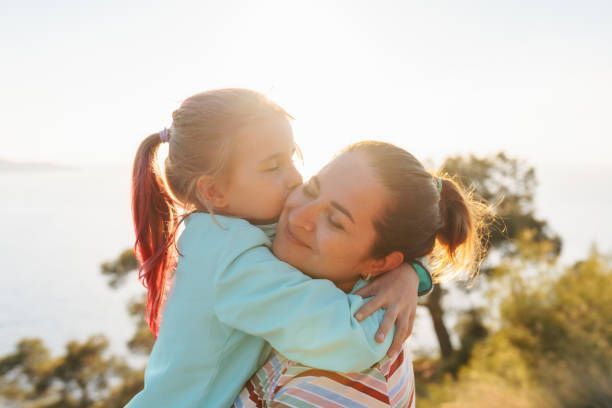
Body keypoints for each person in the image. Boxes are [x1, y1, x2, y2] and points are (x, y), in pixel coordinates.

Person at [126, 89, 432, 407]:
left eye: (293, 157)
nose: (295, 179)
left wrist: (411, 270)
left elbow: (407, 214)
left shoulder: (232, 226)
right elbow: (345, 337)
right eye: (274, 167)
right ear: (214, 191)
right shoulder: (233, 262)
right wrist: (388, 312)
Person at [235, 141, 489, 407]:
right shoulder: (302, 285)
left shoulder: (347, 374)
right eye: (311, 190)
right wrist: (414, 271)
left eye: (335, 222)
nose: (298, 216)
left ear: (380, 263)